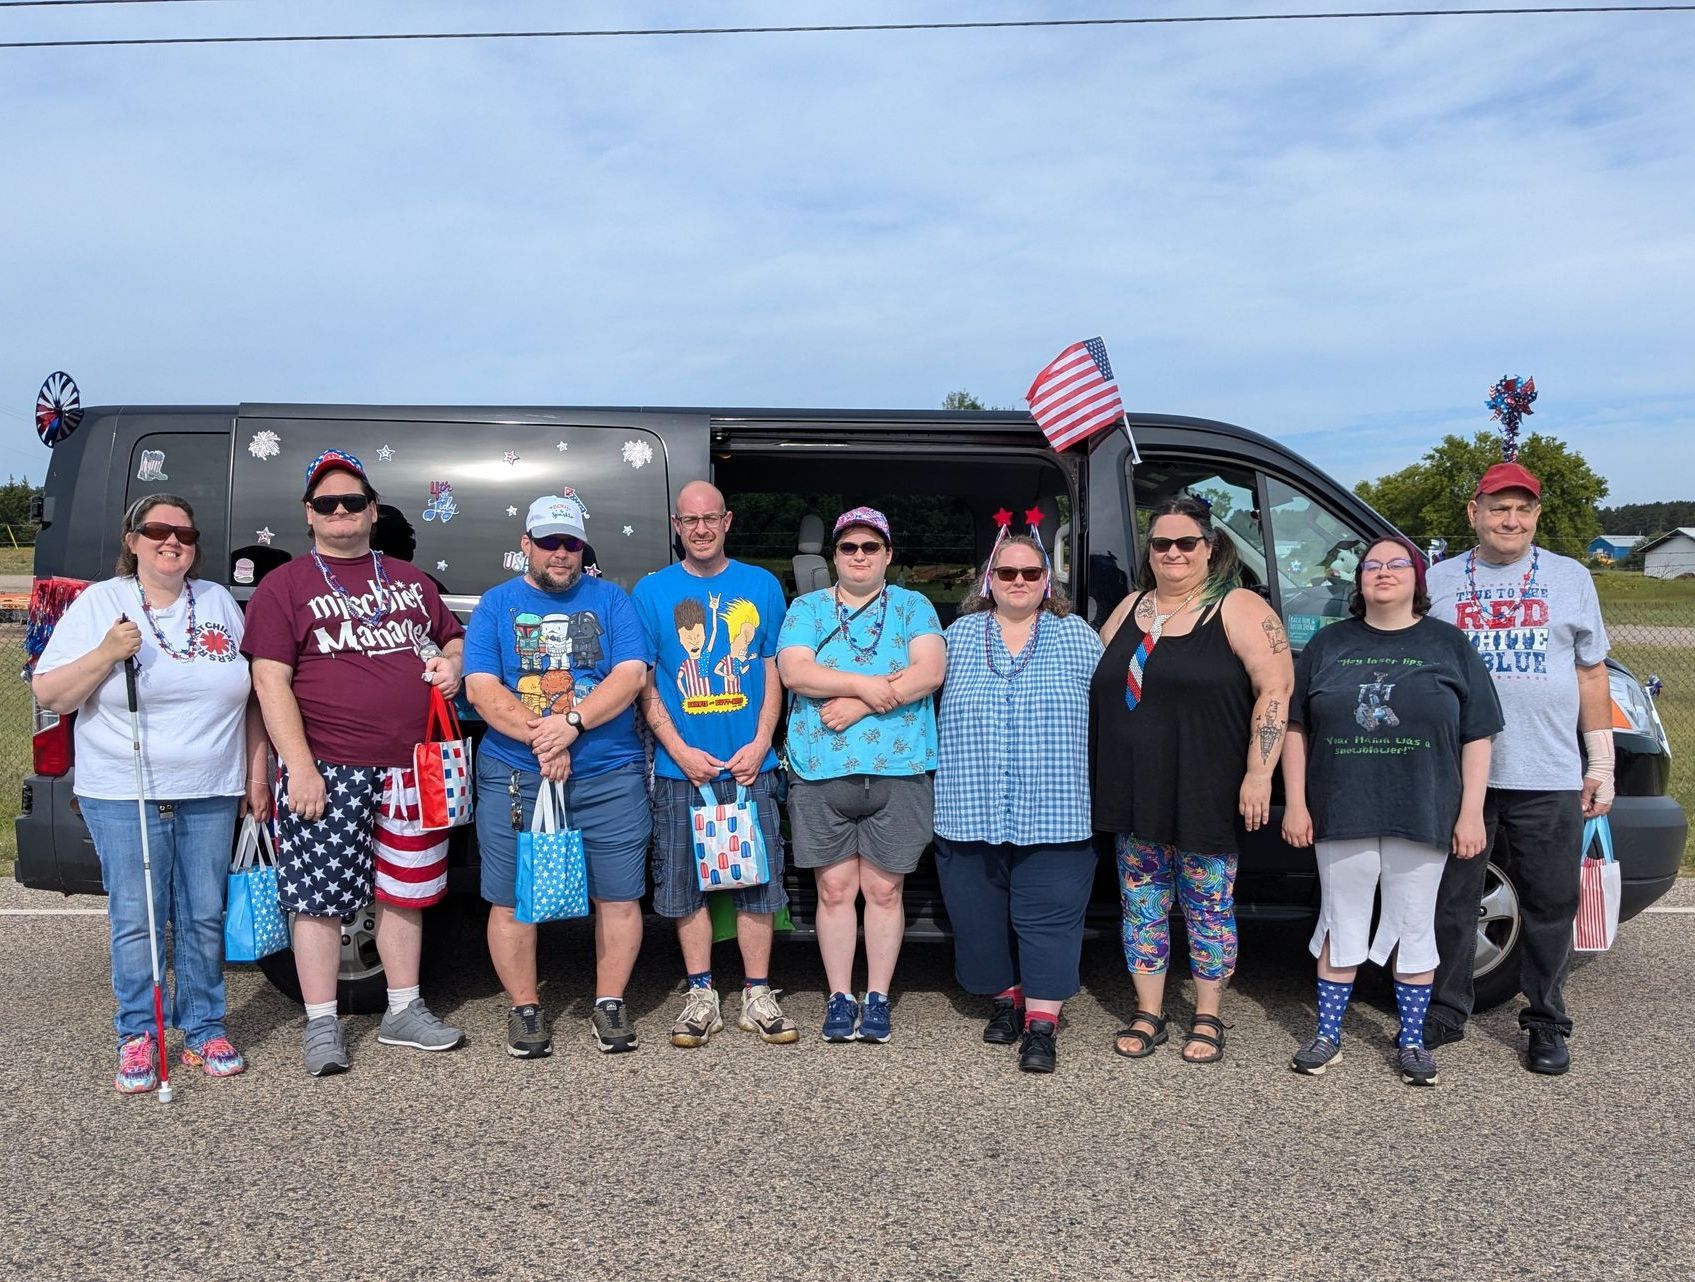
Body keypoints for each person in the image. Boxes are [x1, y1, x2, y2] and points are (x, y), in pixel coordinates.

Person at [34, 495, 270, 1092]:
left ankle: (204, 1026)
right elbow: (51, 693)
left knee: (202, 913)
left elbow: (253, 696)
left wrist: (256, 772)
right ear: (132, 540)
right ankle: (138, 1034)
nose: (173, 542)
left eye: (185, 534)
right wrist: (107, 653)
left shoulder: (217, 601)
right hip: (123, 789)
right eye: (157, 531)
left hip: (211, 788)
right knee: (138, 917)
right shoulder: (100, 603)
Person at [243, 449, 467, 1077]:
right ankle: (320, 1024)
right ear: (308, 515)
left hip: (411, 766)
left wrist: (453, 664)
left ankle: (403, 1009)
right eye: (325, 503)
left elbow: (452, 635)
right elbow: (270, 681)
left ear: (372, 511)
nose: (339, 512)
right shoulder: (284, 586)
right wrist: (299, 766)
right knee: (318, 898)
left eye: (352, 502)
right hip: (327, 766)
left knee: (406, 891)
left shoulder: (408, 579)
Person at [1280, 536, 1502, 1086]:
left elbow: (1478, 736)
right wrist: (1298, 803)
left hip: (1423, 809)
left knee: (1413, 923)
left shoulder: (1449, 645)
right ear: (1358, 581)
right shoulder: (1329, 645)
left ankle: (1410, 1041)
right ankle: (1328, 1035)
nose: (1383, 573)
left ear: (1417, 580)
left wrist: (1470, 811)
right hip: (1342, 808)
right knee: (1341, 920)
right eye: (1371, 565)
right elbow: (1295, 728)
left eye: (1397, 564)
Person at [1423, 461, 1613, 1075]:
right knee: (1453, 898)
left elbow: (1590, 671)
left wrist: (1601, 761)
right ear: (1473, 512)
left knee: (1550, 900)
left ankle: (1547, 1022)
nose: (1511, 520)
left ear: (1535, 516)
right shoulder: (1439, 579)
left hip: (1548, 770)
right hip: (1459, 775)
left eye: (1523, 509)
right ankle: (1447, 1008)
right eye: (1498, 508)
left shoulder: (1570, 577)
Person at [1089, 495, 1294, 1064]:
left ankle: (1207, 1016)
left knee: (1207, 905)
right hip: (1135, 789)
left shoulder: (1239, 607)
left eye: (1186, 543)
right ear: (1149, 551)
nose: (1173, 552)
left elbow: (1274, 692)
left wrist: (1260, 772)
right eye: (1161, 543)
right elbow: (1094, 678)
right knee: (1142, 904)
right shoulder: (1132, 606)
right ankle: (1149, 1011)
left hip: (1206, 786)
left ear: (1209, 548)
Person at [465, 491, 653, 1057]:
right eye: (549, 542)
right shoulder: (496, 606)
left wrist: (570, 724)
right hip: (516, 774)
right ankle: (525, 1008)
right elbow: (480, 686)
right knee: (511, 898)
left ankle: (609, 1002)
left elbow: (630, 676)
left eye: (571, 543)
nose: (561, 553)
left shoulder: (613, 601)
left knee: (619, 897)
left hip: (607, 774)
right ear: (527, 545)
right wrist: (540, 736)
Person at [632, 480, 798, 1048]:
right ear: (677, 526)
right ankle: (701, 992)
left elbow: (773, 669)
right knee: (685, 885)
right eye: (689, 520)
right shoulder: (652, 592)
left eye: (710, 518)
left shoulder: (762, 585)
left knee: (757, 882)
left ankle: (757, 993)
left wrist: (761, 741)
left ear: (727, 521)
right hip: (684, 770)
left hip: (752, 765)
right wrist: (677, 750)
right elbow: (646, 680)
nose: (700, 528)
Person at [933, 529, 1103, 1073]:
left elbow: (1116, 713)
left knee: (1049, 921)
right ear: (990, 580)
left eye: (1032, 573)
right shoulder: (955, 637)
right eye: (1007, 573)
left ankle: (1042, 1024)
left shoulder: (1077, 635)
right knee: (978, 917)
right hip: (969, 805)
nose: (1020, 582)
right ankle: (1006, 999)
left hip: (1055, 807)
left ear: (1047, 580)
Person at [777, 506, 946, 1043]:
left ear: (888, 555)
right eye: (848, 548)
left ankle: (876, 997)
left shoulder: (914, 606)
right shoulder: (806, 608)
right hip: (820, 770)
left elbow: (930, 671)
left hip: (899, 768)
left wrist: (860, 705)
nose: (859, 556)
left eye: (870, 548)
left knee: (884, 890)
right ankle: (838, 996)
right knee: (833, 889)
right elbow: (793, 671)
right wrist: (867, 686)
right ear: (834, 556)